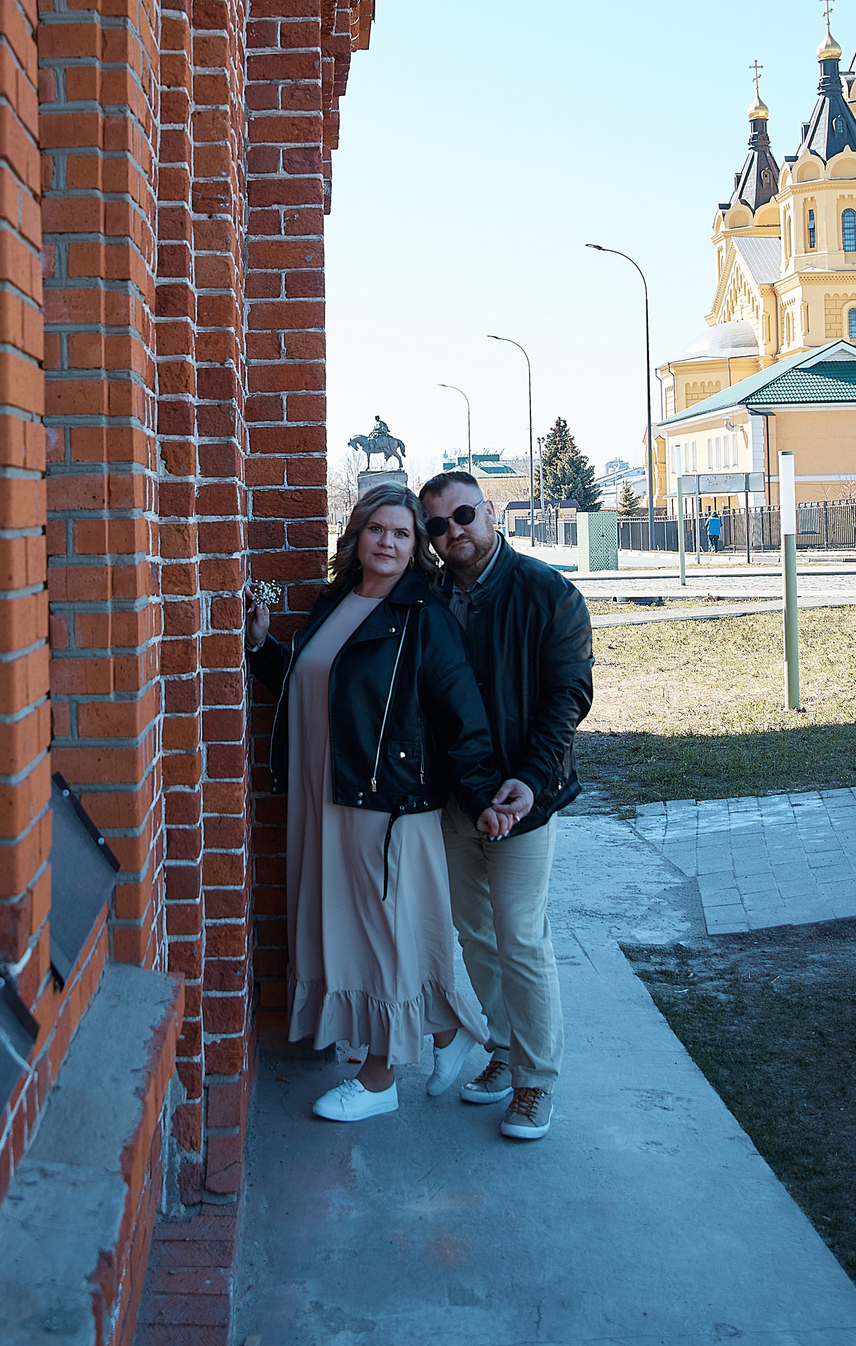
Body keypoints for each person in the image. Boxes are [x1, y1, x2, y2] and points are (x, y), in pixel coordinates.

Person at [245, 484, 496, 1122]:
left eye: (402, 533)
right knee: (364, 930)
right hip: (322, 791)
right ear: (357, 536)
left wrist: (484, 795)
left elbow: (460, 713)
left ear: (417, 547)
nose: (388, 542)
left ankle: (381, 1079)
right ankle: (444, 1031)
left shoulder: (423, 613)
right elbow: (314, 680)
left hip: (382, 799)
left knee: (380, 935)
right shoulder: (337, 602)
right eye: (377, 529)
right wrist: (261, 646)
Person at [416, 471, 594, 1141]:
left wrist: (530, 778)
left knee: (519, 934)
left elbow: (567, 696)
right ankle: (501, 1048)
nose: (452, 531)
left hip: (526, 797)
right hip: (456, 798)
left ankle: (536, 1081)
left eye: (463, 514)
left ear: (489, 511)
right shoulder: (428, 595)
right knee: (475, 933)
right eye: (437, 525)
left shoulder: (547, 592)